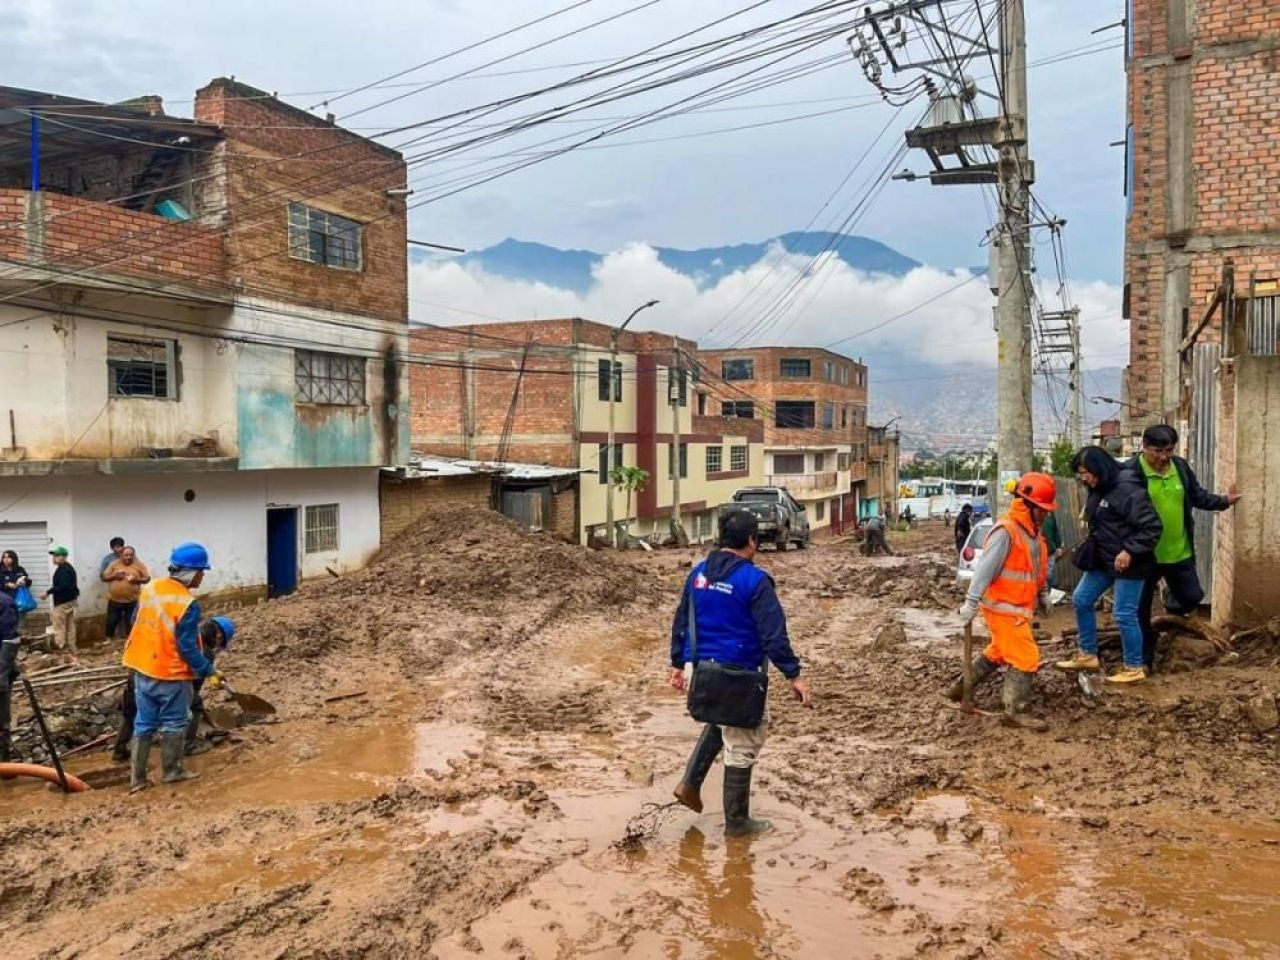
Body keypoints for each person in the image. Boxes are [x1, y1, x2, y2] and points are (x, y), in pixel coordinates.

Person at [668, 510, 812, 836]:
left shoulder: (698, 575)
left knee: (722, 720)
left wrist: (678, 665)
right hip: (739, 675)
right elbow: (773, 636)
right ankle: (737, 823)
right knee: (746, 734)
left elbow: (680, 622)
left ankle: (690, 783)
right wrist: (795, 675)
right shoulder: (755, 581)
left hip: (700, 671)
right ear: (752, 540)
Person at [1124, 424, 1241, 672]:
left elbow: (1197, 496)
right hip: (1145, 556)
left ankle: (1172, 614)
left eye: (1169, 450)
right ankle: (1144, 661)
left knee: (1191, 595)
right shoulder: (1130, 473)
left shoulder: (1180, 467)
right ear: (1144, 447)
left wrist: (1223, 501)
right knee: (1140, 611)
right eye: (1158, 451)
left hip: (1179, 551)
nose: (1164, 456)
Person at [951, 473, 1058, 730]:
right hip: (1002, 608)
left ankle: (959, 687)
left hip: (1018, 609)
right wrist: (971, 602)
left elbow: (1037, 570)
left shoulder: (1034, 536)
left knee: (999, 651)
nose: (1046, 515)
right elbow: (984, 570)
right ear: (1027, 505)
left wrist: (1042, 594)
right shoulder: (1006, 531)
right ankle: (1015, 710)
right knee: (1026, 657)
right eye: (1042, 510)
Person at [121, 542, 224, 792]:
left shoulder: (151, 587)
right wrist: (209, 671)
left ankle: (138, 779)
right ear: (190, 571)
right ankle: (172, 770)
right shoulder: (187, 603)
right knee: (175, 723)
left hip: (141, 667)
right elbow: (187, 647)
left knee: (143, 723)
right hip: (170, 674)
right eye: (201, 571)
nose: (202, 576)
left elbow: (137, 620)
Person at [1056, 446, 1163, 684]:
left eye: (1085, 472)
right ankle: (1088, 654)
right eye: (1080, 473)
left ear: (1099, 469)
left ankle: (1134, 666)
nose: (1083, 478)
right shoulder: (1098, 488)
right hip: (1105, 558)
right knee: (1082, 598)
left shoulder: (1127, 488)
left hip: (1132, 562)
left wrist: (1129, 550)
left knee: (1124, 613)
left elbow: (1152, 527)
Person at [112, 614, 235, 763]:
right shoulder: (204, 650)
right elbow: (192, 689)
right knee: (195, 704)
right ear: (218, 635)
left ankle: (119, 752)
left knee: (131, 711)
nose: (217, 646)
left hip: (139, 673)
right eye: (219, 643)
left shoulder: (178, 629)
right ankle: (188, 745)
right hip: (164, 681)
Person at [101, 545, 150, 640]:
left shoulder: (139, 565)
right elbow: (104, 577)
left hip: (132, 600)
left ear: (134, 555)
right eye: (126, 555)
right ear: (121, 555)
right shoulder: (114, 564)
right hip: (115, 599)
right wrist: (114, 576)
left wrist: (137, 579)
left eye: (130, 555)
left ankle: (130, 639)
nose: (128, 557)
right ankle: (108, 639)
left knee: (130, 621)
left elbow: (147, 578)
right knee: (111, 620)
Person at [45, 546, 79, 652]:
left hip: (62, 602)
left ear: (64, 557)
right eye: (54, 556)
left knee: (59, 625)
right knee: (70, 625)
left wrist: (48, 592)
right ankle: (72, 647)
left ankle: (60, 647)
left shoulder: (64, 569)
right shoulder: (66, 567)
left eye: (57, 556)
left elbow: (63, 586)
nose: (54, 558)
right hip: (70, 600)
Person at [0, 588, 19, 764]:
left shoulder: (4, 603)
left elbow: (10, 640)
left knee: (1, 717)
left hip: (1, 671)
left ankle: (5, 757)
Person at [0, 551, 32, 634]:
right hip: (5, 602)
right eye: (4, 557)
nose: (6, 559)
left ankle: (20, 640)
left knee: (21, 622)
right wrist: (6, 585)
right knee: (7, 621)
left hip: (20, 601)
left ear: (14, 559)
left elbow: (28, 581)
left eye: (8, 557)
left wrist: (25, 582)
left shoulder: (20, 569)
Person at [1041, 508, 1064, 588]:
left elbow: (1055, 531)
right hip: (1037, 553)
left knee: (1048, 576)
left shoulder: (1050, 513)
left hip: (1049, 551)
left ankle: (1047, 596)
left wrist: (1058, 546)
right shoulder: (1033, 512)